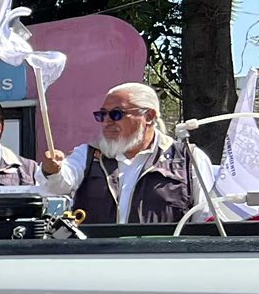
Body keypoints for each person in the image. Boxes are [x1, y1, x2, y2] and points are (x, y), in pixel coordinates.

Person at [41, 82, 218, 225]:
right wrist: (52, 170)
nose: (107, 122)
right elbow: (58, 185)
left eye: (116, 114)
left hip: (161, 262)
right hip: (97, 261)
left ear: (148, 116)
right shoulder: (88, 154)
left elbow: (205, 217)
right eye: (102, 115)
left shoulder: (188, 159)